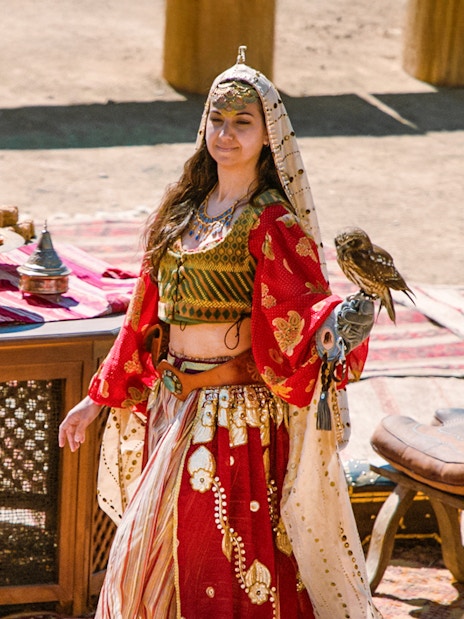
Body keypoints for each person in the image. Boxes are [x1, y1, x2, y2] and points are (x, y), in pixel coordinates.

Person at [59, 47, 381, 619]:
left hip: (234, 417)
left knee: (218, 562)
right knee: (152, 557)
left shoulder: (272, 221)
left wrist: (338, 326)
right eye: (217, 119)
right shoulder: (183, 210)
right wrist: (95, 399)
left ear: (268, 135)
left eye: (242, 122)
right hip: (171, 404)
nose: (226, 134)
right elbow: (143, 315)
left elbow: (302, 315)